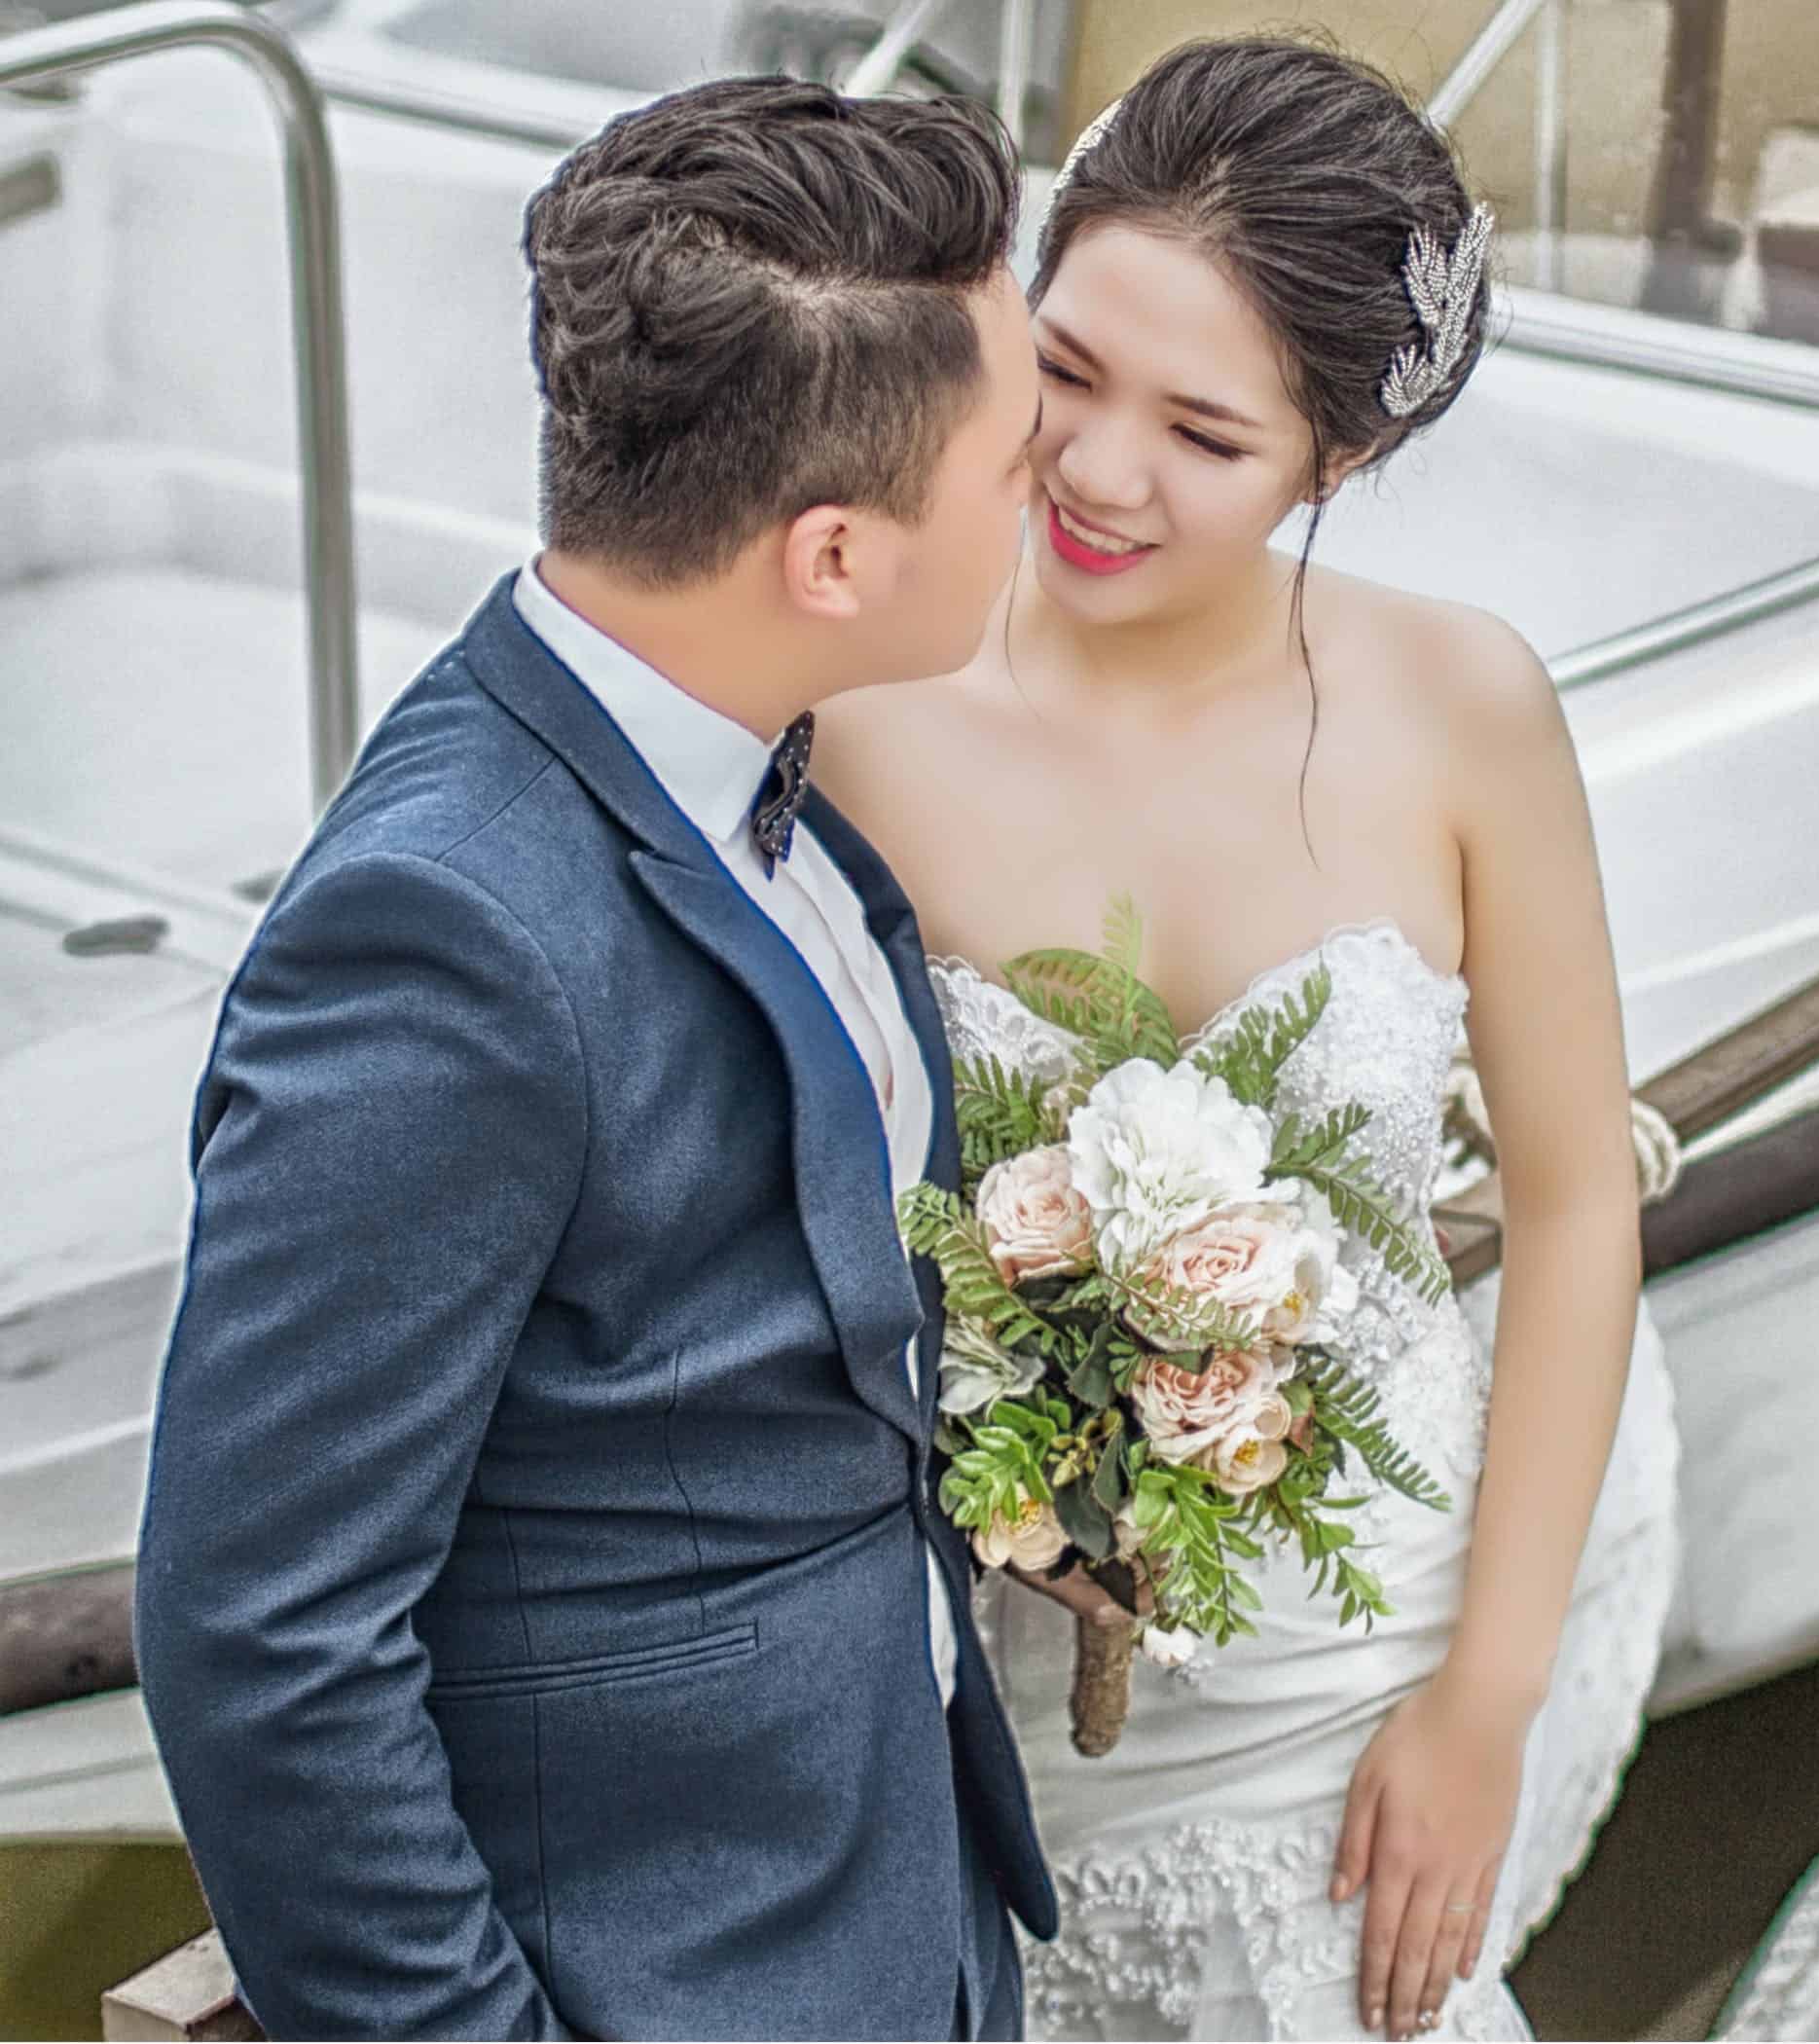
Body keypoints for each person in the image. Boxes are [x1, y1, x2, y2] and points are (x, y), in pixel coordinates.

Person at [134, 78, 1059, 2039]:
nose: (1045, 492)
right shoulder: (446, 941)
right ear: (830, 554)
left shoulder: (760, 750)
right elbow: (264, 1639)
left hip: (897, 1915)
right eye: (1014, 456)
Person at [815, 35, 1683, 2043]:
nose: (1098, 472)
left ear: (1338, 461)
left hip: (1373, 1641)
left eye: (1203, 434)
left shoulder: (1463, 709)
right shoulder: (862, 698)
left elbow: (1570, 1209)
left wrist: (1486, 1701)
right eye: (1068, 371)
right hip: (998, 1655)